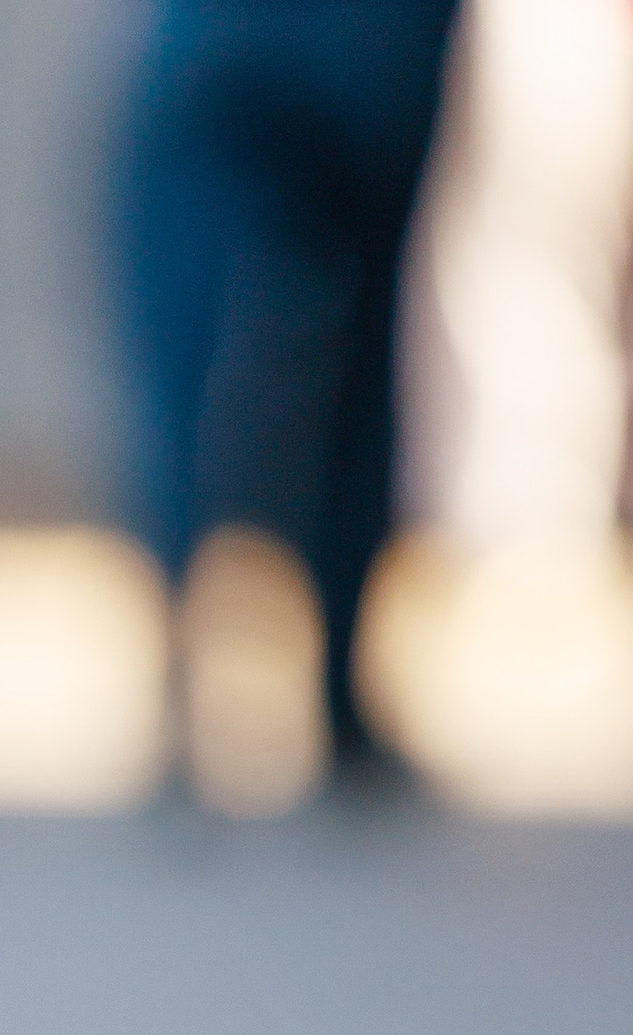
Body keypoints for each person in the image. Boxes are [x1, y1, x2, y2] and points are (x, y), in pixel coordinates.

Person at [113, 0, 467, 775]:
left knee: (184, 346)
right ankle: (340, 690)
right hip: (372, 50)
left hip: (219, 43)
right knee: (362, 344)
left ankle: (187, 643)